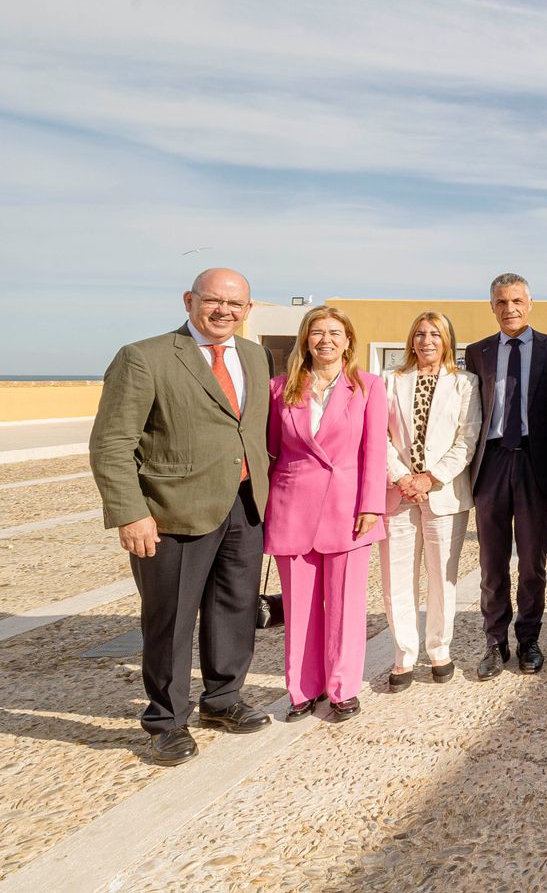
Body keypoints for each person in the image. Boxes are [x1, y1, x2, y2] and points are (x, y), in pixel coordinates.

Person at [90, 268, 273, 766]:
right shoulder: (143, 357)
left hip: (244, 505)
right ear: (190, 300)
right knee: (170, 618)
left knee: (235, 607)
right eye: (214, 301)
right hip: (171, 513)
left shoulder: (256, 356)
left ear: (248, 310)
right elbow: (111, 443)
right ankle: (166, 720)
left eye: (236, 304)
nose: (224, 312)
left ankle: (223, 699)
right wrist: (131, 513)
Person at [264, 306, 388, 722]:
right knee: (298, 607)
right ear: (305, 340)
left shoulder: (367, 386)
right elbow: (271, 449)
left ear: (349, 340)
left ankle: (342, 688)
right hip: (292, 508)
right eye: (317, 332)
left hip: (349, 509)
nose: (326, 340)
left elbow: (374, 450)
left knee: (345, 606)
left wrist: (372, 504)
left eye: (335, 332)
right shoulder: (280, 388)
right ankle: (302, 689)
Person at [464, 273, 547, 679]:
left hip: (536, 462)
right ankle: (495, 642)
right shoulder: (478, 352)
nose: (510, 309)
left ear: (530, 303)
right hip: (491, 463)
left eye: (516, 301)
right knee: (491, 562)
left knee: (532, 561)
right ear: (492, 306)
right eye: (501, 302)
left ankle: (529, 638)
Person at [381, 312, 482, 689]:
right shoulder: (391, 381)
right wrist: (403, 477)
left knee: (443, 578)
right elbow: (379, 437)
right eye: (420, 334)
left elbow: (467, 439)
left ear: (447, 341)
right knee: (397, 579)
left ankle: (440, 649)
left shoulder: (465, 384)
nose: (427, 341)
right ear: (411, 340)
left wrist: (430, 477)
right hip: (399, 494)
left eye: (435, 335)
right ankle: (403, 655)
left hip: (444, 494)